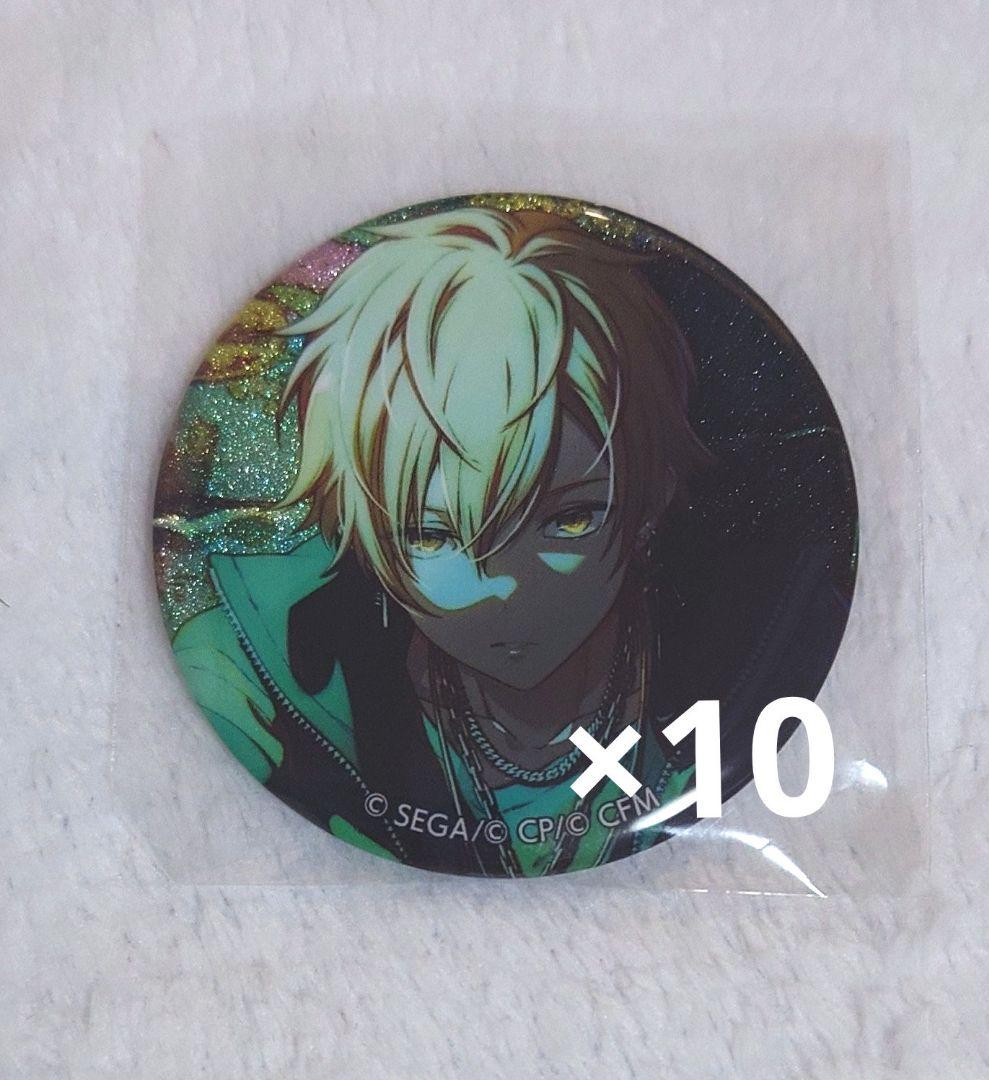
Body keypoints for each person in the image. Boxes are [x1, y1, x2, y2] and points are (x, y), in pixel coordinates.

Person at [172, 206, 844, 877]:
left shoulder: (767, 639)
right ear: (358, 526)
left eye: (569, 519)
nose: (502, 587)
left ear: (651, 498)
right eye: (431, 532)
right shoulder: (254, 670)